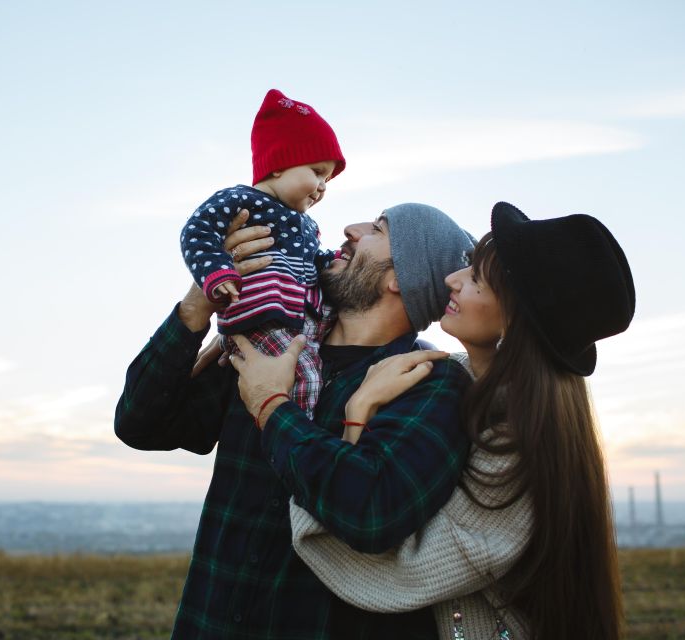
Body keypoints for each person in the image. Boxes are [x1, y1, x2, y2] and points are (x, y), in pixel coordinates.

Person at [259, 202, 635, 639]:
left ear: (515, 319)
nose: (452, 280)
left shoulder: (521, 442)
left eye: (475, 278)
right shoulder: (452, 376)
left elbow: (397, 569)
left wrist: (349, 416)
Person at [115, 203, 477, 639]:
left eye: (378, 229)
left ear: (400, 279)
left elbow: (373, 514)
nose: (351, 229)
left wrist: (272, 406)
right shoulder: (271, 339)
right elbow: (140, 424)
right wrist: (196, 305)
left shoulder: (430, 383)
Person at [179, 88, 346, 416]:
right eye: (317, 172)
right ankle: (294, 437)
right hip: (258, 315)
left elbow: (311, 260)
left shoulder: (307, 225)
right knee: (306, 379)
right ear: (280, 164)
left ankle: (298, 432)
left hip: (295, 319)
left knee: (312, 370)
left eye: (328, 178)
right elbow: (197, 232)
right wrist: (216, 272)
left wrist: (331, 261)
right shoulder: (241, 200)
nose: (324, 186)